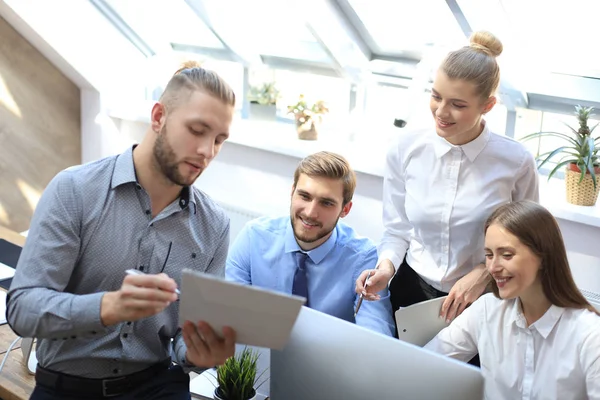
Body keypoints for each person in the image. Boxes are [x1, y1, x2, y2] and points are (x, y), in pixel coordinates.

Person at [6, 61, 238, 400]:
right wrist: (107, 308)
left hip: (158, 385)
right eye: (197, 130)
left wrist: (196, 354)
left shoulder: (214, 225)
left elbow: (184, 339)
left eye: (219, 139)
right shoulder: (75, 191)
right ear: (158, 117)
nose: (207, 152)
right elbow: (22, 310)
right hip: (67, 388)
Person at [356, 31, 539, 324]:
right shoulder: (405, 149)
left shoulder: (516, 162)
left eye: (458, 104)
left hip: (484, 302)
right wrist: (385, 268)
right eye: (436, 96)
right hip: (410, 294)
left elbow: (528, 242)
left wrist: (483, 274)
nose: (441, 112)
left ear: (488, 106)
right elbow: (397, 230)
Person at [424, 200, 600, 399]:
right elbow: (425, 364)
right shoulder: (486, 310)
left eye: (506, 255)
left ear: (543, 256)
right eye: (489, 255)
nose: (492, 267)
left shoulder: (590, 336)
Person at [226, 151, 395, 337]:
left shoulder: (363, 258)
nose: (310, 213)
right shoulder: (254, 238)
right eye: (304, 196)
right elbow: (230, 313)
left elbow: (376, 337)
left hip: (327, 361)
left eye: (326, 203)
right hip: (257, 354)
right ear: (292, 193)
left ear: (345, 209)